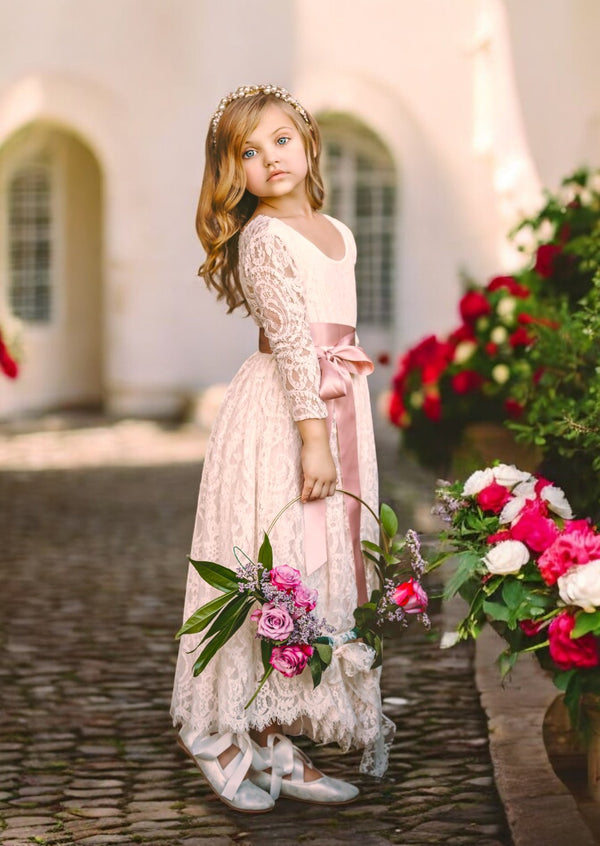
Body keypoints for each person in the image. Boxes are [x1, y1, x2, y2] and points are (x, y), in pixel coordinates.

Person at [171, 84, 392, 814]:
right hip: (288, 412)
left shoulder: (337, 231)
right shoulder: (264, 237)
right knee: (274, 553)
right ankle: (221, 732)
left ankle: (271, 735)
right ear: (236, 173)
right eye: (248, 153)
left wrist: (342, 426)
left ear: (308, 138)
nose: (270, 159)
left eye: (279, 139)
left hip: (337, 406)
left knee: (315, 562)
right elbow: (296, 345)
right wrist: (313, 439)